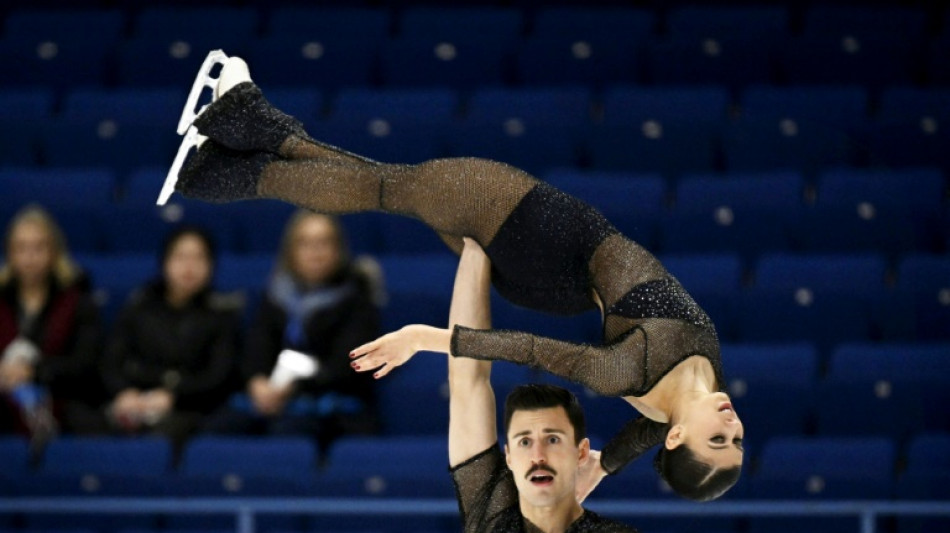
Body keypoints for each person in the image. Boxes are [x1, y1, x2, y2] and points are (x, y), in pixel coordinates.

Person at [171, 56, 743, 500]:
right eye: (737, 440)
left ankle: (215, 167)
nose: (731, 425)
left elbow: (528, 348)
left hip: (546, 240)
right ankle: (240, 125)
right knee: (399, 187)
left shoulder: (631, 371)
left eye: (717, 440)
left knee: (390, 189)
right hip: (562, 277)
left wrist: (426, 338)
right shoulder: (686, 395)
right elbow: (647, 433)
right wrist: (604, 469)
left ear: (679, 439)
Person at [445, 237, 637, 532]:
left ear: (581, 453)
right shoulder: (490, 515)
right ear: (508, 457)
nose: (538, 457)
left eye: (553, 439)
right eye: (524, 441)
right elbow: (466, 382)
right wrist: (476, 247)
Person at [203, 211, 380, 449]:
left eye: (323, 243)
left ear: (338, 249)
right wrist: (257, 381)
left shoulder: (357, 300)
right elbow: (257, 346)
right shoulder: (275, 295)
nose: (315, 253)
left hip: (333, 405)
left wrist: (293, 387)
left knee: (287, 436)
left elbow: (346, 365)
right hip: (272, 398)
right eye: (305, 243)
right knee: (216, 432)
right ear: (291, 251)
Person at [100, 226, 238, 448]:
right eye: (180, 257)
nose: (189, 267)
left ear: (211, 265)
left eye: (198, 258)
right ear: (164, 262)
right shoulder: (138, 308)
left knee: (168, 435)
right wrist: (124, 392)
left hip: (191, 409)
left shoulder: (222, 315)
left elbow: (219, 377)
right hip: (134, 400)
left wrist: (174, 397)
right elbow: (111, 361)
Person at [0, 205, 102, 446]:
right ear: (9, 253)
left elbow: (86, 365)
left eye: (39, 247)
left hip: (62, 400)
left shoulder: (78, 301)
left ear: (55, 251)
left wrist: (34, 371)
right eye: (21, 248)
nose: (29, 257)